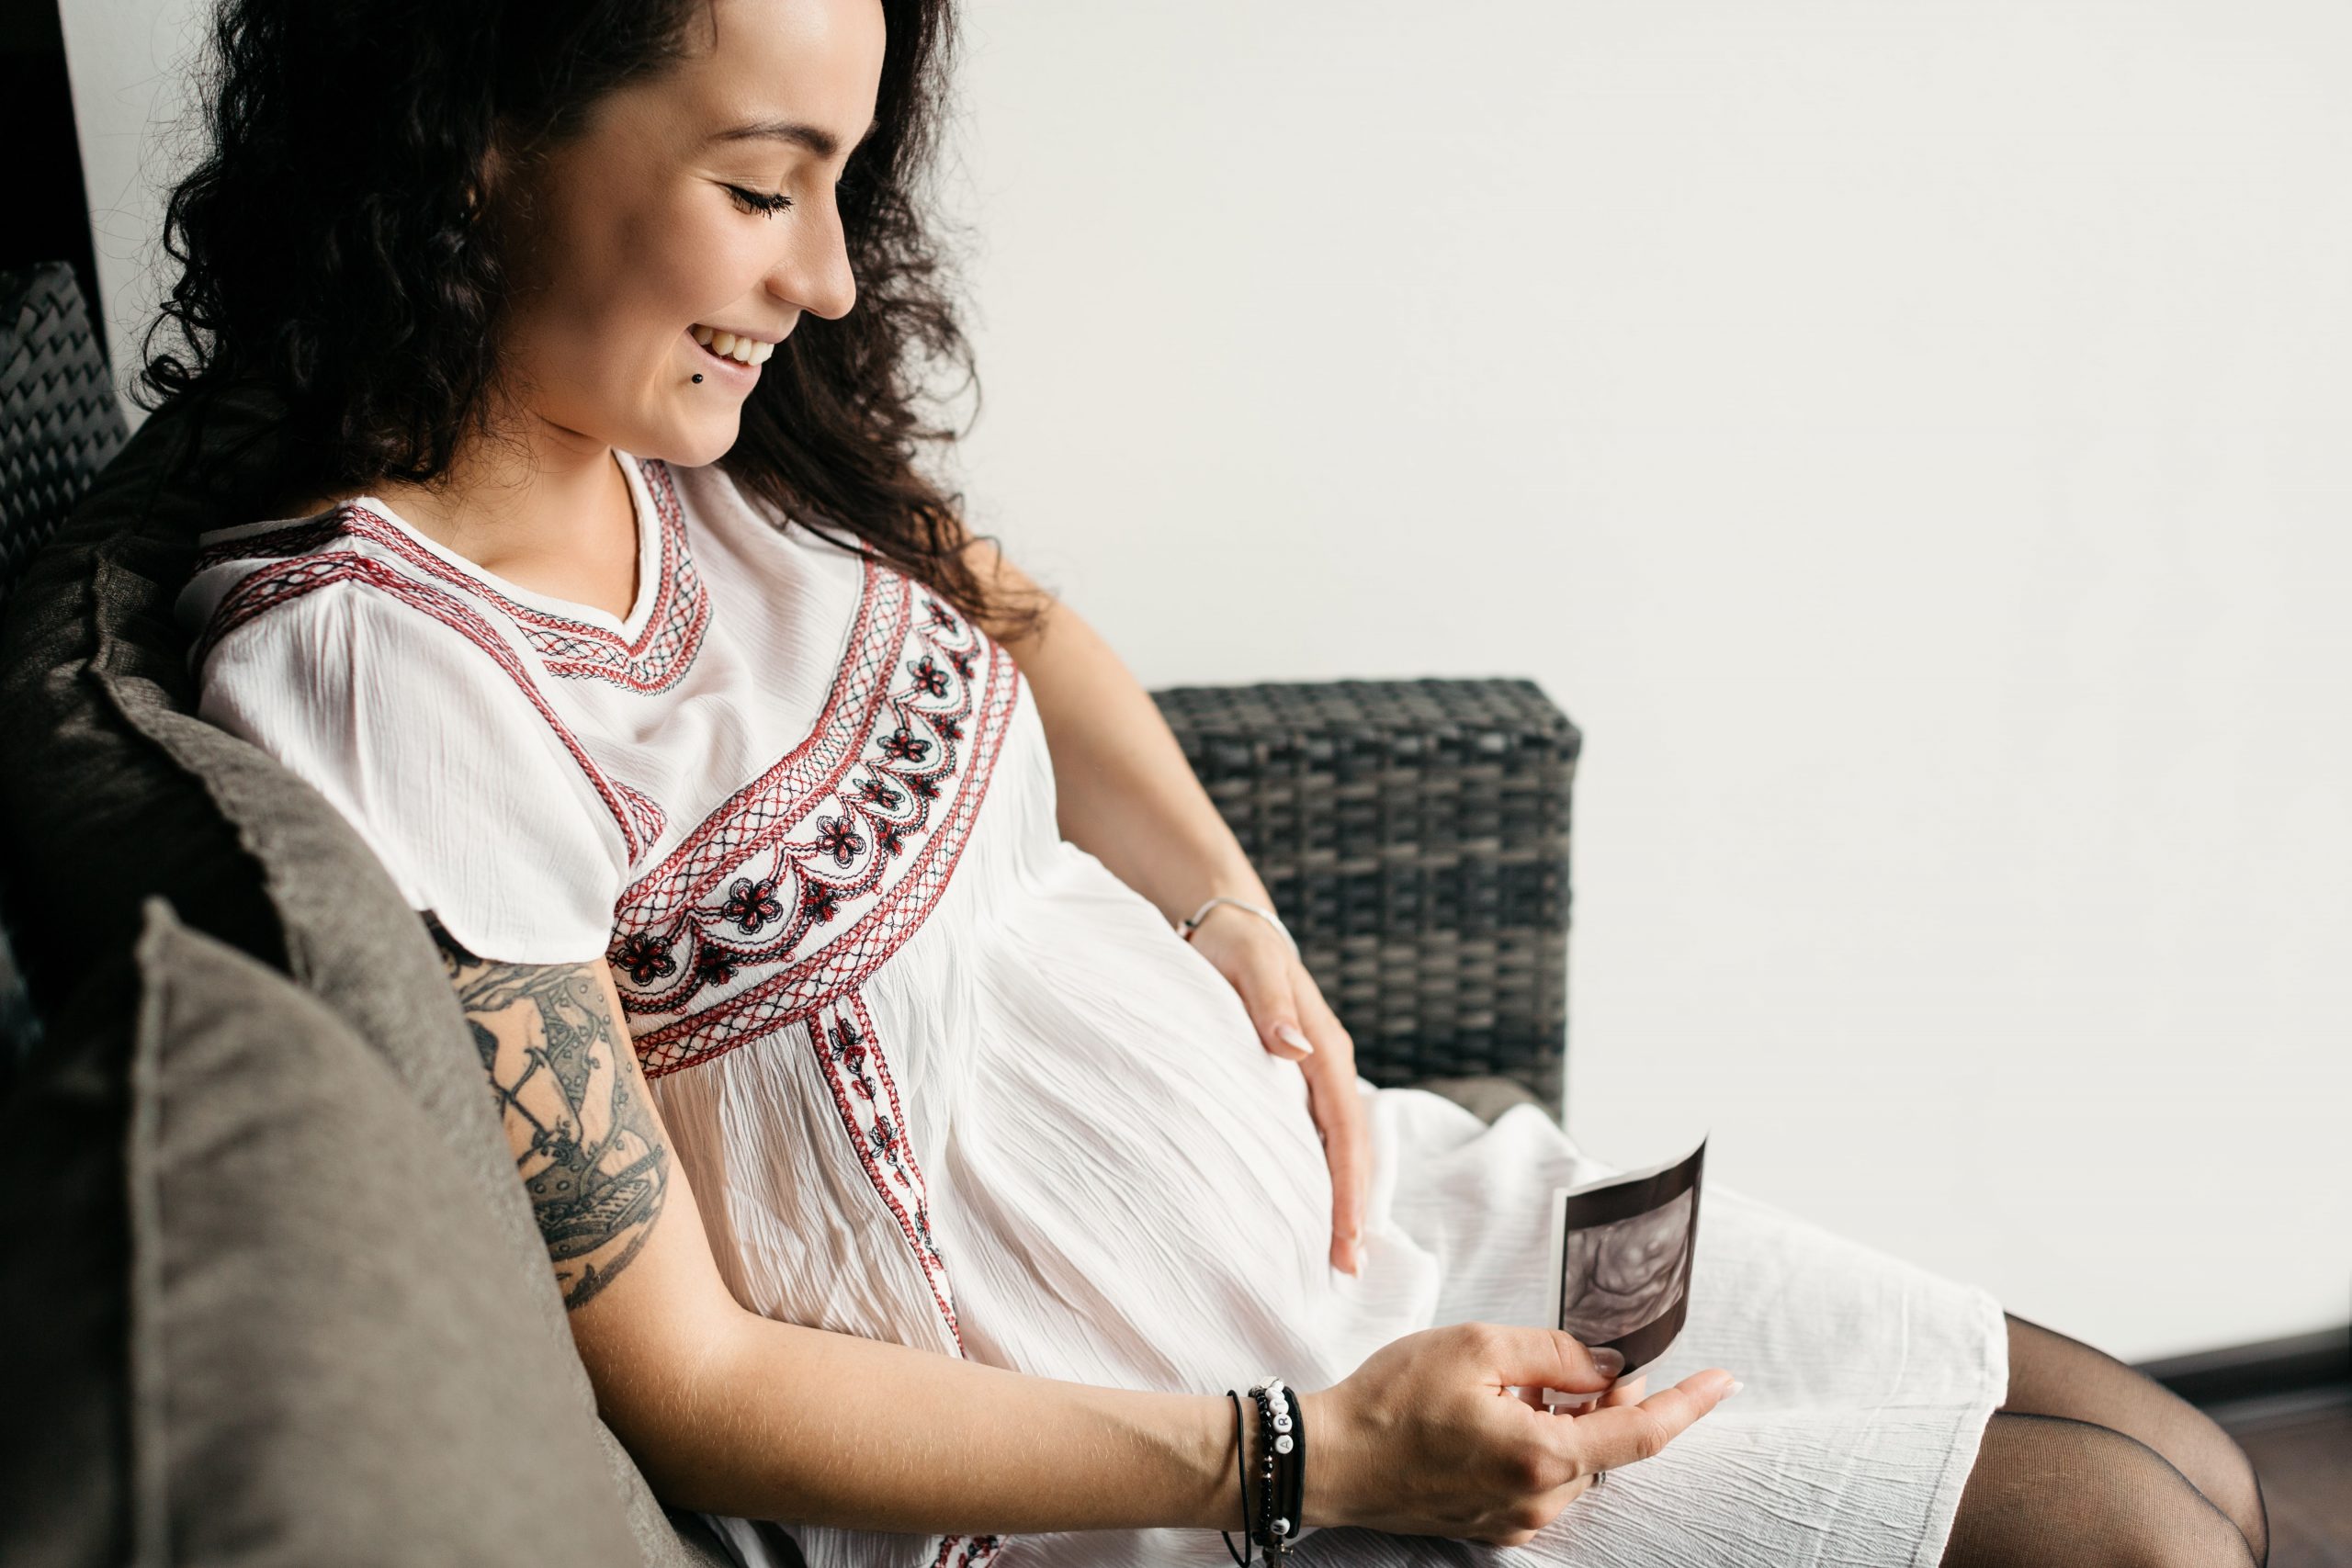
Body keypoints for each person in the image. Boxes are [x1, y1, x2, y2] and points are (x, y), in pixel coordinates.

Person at [148, 1, 2270, 1565]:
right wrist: (1305, 1456)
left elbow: (1026, 631)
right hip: (1181, 1464)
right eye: (755, 184)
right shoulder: (385, 663)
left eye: (839, 182)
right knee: (2128, 1540)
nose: (827, 276)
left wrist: (1233, 918)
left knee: (2193, 1465)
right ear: (472, 141)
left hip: (1365, 1241)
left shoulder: (689, 443)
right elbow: (684, 1379)